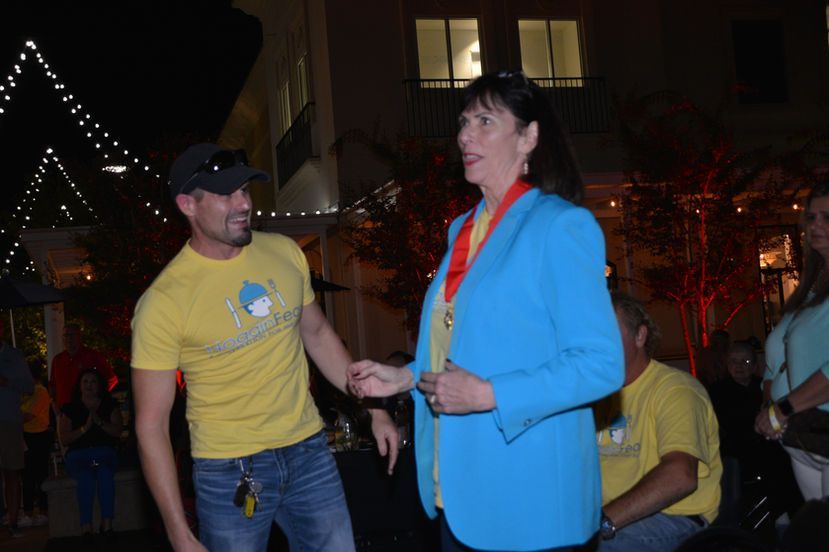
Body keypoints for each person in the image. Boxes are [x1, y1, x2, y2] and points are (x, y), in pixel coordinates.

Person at [348, 70, 624, 551]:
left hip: (530, 502)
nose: (464, 135)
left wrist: (491, 394)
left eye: (485, 121)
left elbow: (601, 364)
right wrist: (407, 378)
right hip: (458, 494)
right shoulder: (462, 229)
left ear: (529, 137)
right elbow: (464, 342)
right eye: (463, 122)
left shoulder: (561, 226)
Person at [131, 143, 398, 552]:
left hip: (308, 450)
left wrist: (373, 408)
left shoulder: (284, 253)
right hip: (228, 469)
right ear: (188, 205)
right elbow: (151, 425)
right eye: (226, 194)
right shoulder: (163, 301)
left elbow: (318, 335)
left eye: (244, 190)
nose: (243, 204)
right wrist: (178, 531)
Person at [593, 292, 722, 551]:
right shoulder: (596, 395)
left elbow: (681, 476)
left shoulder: (676, 390)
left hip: (674, 517)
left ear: (640, 336)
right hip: (609, 515)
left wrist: (602, 522)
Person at [756, 181, 829, 500]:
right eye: (811, 217)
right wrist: (769, 402)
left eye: (827, 217)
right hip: (803, 437)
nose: (816, 225)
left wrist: (782, 409)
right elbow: (777, 362)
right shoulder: (809, 290)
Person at [709, 341, 801, 523]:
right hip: (737, 448)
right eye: (734, 361)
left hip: (769, 443)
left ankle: (792, 517)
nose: (739, 366)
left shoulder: (764, 388)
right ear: (727, 364)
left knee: (790, 458)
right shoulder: (717, 391)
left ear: (755, 365)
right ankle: (780, 517)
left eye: (745, 362)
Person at [58, 368, 122, 535]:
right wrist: (84, 429)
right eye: (85, 381)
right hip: (79, 456)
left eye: (93, 381)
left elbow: (117, 431)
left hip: (104, 454)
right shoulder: (70, 408)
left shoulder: (110, 405)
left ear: (99, 385)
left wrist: (99, 422)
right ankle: (86, 526)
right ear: (79, 386)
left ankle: (107, 523)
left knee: (105, 473)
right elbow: (64, 438)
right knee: (85, 475)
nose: (89, 385)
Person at [0, 317, 33, 538]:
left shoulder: (14, 356)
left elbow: (29, 386)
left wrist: (7, 382)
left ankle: (13, 521)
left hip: (9, 420)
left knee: (11, 472)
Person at [50, 323, 118, 409]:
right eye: (65, 335)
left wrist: (99, 397)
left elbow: (111, 379)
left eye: (72, 335)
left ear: (79, 336)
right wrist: (54, 404)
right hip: (63, 410)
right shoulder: (58, 359)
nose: (68, 338)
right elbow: (53, 385)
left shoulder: (93, 356)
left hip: (86, 409)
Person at [20, 359, 51, 527]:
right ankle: (28, 512)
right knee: (27, 475)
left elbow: (28, 415)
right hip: (26, 435)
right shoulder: (25, 392)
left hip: (38, 436)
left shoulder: (40, 391)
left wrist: (11, 415)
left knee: (39, 474)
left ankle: (43, 511)